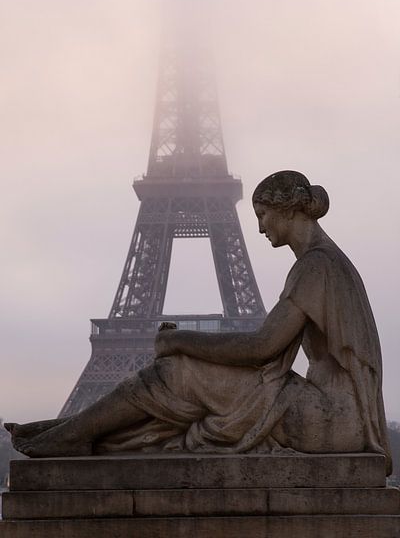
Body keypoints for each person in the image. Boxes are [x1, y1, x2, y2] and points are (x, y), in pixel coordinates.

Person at [6, 170, 392, 475]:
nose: (259, 227)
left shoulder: (317, 266)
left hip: (329, 418)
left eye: (263, 215)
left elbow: (263, 347)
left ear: (288, 209)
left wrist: (181, 341)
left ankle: (72, 435)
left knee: (177, 373)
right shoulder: (323, 262)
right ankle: (73, 432)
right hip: (326, 411)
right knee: (180, 377)